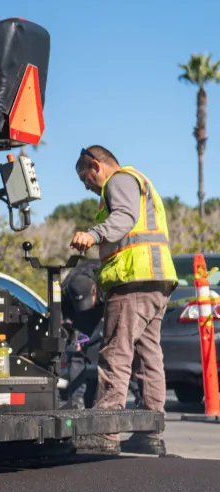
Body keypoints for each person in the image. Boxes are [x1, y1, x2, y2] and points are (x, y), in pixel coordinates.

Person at [70, 145, 177, 456]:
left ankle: (105, 429)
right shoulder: (141, 182)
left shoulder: (119, 181)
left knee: (116, 351)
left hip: (132, 282)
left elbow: (125, 218)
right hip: (156, 280)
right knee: (148, 355)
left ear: (95, 164)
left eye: (84, 177)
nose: (86, 185)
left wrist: (93, 234)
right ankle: (150, 432)